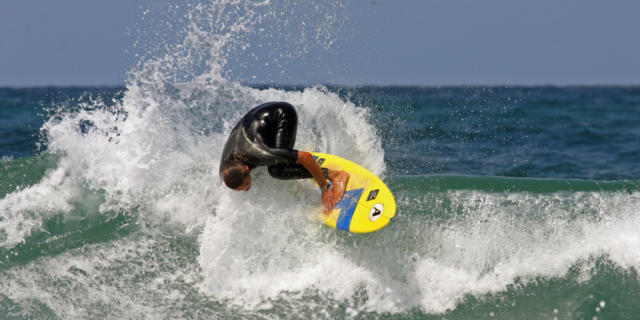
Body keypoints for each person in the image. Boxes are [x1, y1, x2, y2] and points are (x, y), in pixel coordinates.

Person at [219, 101, 349, 212]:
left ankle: (336, 175)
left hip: (282, 114)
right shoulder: (225, 168)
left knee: (277, 170)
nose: (247, 190)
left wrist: (324, 188)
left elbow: (306, 157)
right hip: (255, 122)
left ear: (247, 170)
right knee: (275, 161)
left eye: (246, 185)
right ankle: (287, 156)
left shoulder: (260, 154)